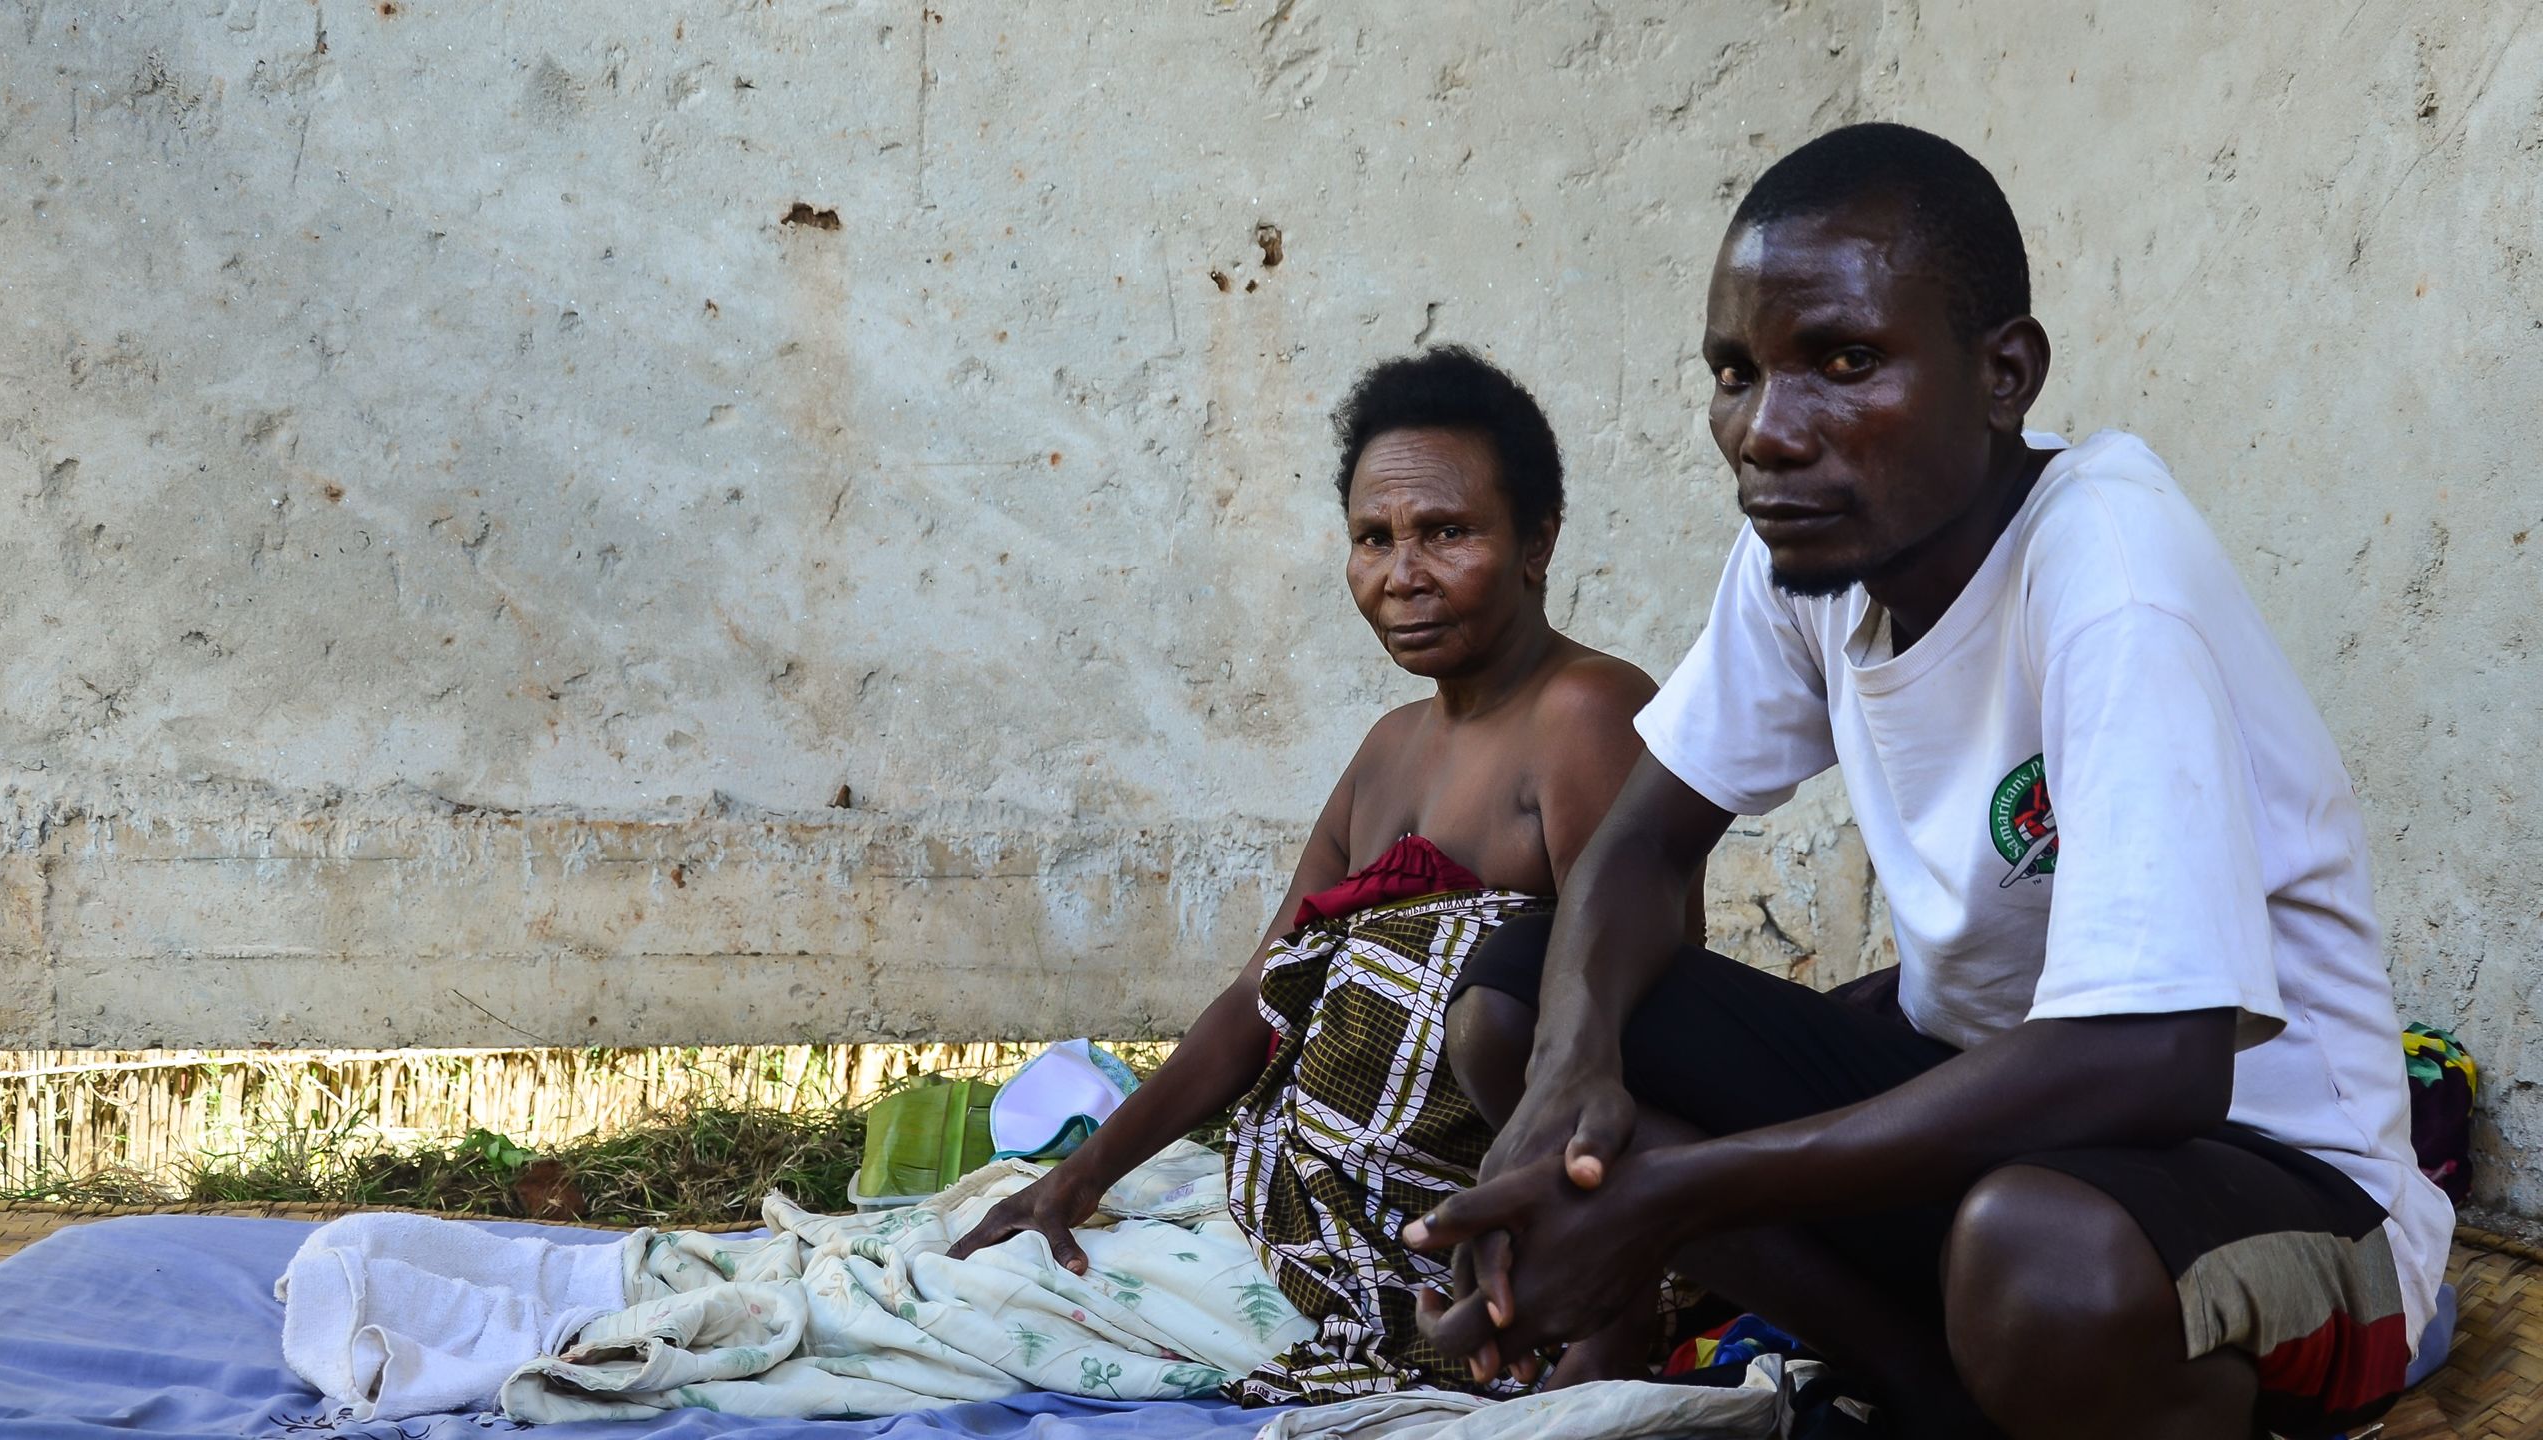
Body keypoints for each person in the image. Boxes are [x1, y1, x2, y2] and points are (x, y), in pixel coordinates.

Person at [1409, 124, 2454, 1440]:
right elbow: (1640, 845)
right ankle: (1925, 1393)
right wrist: (1573, 1079)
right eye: (1737, 373)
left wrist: (1675, 1197)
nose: (1767, 433)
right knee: (1518, 996)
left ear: (2004, 374)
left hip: (2287, 1191)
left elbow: (2161, 1063)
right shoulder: (1815, 546)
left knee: (2040, 1259)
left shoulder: (2110, 576)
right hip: (1998, 1129)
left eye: (1845, 362)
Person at [947, 345, 1661, 1404]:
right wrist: (1078, 1178)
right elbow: (1259, 995)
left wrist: (1608, 1328)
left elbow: (1635, 1016)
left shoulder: (1587, 715)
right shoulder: (1387, 751)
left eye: (1446, 532)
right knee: (980, 1289)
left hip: (1486, 1225)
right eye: (1373, 539)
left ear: (1537, 541)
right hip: (1308, 1211)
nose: (1402, 575)